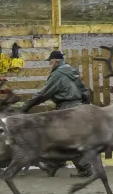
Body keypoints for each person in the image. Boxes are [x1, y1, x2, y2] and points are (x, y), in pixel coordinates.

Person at [22, 49, 92, 177]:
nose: (50, 64)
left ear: (55, 60)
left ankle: (84, 168)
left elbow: (43, 94)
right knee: (61, 137)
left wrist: (25, 107)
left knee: (66, 139)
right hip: (78, 108)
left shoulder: (58, 74)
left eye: (50, 61)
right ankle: (53, 166)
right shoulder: (71, 70)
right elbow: (84, 90)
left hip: (67, 109)